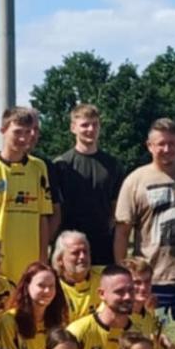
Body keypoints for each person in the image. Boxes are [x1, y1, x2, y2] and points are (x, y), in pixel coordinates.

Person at [114, 118, 175, 349]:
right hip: (152, 275)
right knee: (147, 338)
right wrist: (123, 272)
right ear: (149, 146)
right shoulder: (135, 180)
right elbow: (122, 230)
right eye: (161, 144)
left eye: (172, 143)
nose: (166, 149)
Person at [0, 106, 55, 283]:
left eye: (27, 132)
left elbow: (43, 217)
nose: (23, 138)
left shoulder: (39, 168)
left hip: (30, 263)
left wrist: (42, 261)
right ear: (3, 130)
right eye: (17, 132)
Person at [51, 103, 123, 265]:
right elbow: (54, 210)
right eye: (85, 125)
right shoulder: (61, 165)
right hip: (70, 246)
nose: (91, 129)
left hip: (103, 245)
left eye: (95, 124)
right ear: (73, 128)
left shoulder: (112, 165)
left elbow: (116, 206)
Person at [53, 230, 102, 319]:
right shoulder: (52, 286)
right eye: (75, 253)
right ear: (60, 259)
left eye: (85, 252)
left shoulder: (105, 276)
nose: (82, 257)